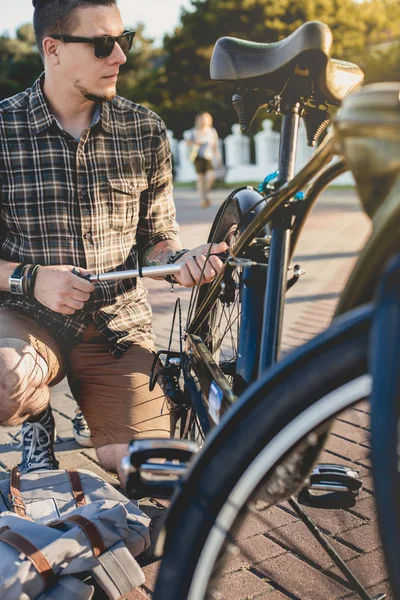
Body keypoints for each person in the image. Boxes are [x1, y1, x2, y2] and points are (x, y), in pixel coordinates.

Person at [0, 0, 226, 484]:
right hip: (25, 314)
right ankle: (37, 417)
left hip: (115, 327)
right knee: (5, 381)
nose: (120, 57)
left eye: (124, 41)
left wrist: (179, 259)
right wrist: (32, 278)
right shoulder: (2, 130)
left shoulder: (145, 129)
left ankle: (95, 408)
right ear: (52, 48)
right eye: (104, 44)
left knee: (149, 472)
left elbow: (157, 240)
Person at [187, 112, 223, 208]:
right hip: (197, 157)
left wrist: (218, 158)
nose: (203, 121)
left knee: (211, 176)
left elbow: (215, 146)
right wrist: (196, 142)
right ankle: (202, 199)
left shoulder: (212, 131)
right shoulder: (194, 131)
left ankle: (206, 193)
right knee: (200, 178)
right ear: (198, 120)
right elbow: (187, 143)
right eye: (202, 119)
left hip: (208, 157)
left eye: (205, 119)